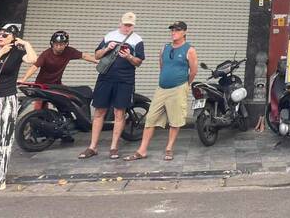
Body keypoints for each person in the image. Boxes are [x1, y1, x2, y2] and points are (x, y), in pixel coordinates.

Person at [0, 25, 38, 193]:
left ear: (13, 38)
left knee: (3, 139)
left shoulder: (17, 54)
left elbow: (33, 60)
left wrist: (25, 44)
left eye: (5, 34)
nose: (1, 36)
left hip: (6, 99)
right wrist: (0, 52)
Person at [124, 21, 197, 161]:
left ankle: (169, 148)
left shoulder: (190, 50)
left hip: (178, 88)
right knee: (151, 119)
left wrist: (185, 85)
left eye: (177, 30)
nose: (173, 32)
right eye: (172, 30)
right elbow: (162, 66)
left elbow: (193, 71)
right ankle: (142, 150)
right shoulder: (165, 48)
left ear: (184, 32)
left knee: (175, 121)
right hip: (162, 88)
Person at [79, 12, 144, 160]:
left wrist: (128, 56)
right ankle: (92, 147)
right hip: (105, 78)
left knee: (119, 113)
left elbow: (139, 62)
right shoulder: (109, 35)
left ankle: (114, 147)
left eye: (130, 25)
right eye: (125, 24)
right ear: (120, 23)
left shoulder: (137, 40)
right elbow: (97, 55)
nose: (127, 28)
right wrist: (107, 48)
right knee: (99, 111)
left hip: (125, 80)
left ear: (134, 25)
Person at [21, 30, 97, 85]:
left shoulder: (69, 51)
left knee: (65, 100)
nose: (58, 47)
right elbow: (34, 67)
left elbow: (84, 56)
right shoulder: (46, 54)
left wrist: (98, 61)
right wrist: (24, 79)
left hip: (57, 84)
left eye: (61, 45)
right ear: (52, 44)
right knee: (40, 104)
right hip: (42, 84)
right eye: (56, 44)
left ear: (66, 44)